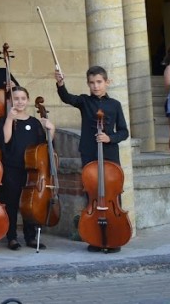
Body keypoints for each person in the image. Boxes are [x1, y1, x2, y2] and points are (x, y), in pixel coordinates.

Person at [55, 65, 129, 252]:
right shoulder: (84, 101)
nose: (95, 86)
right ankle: (95, 238)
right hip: (89, 152)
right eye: (92, 83)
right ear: (88, 84)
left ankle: (113, 238)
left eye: (99, 82)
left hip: (110, 153)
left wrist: (109, 138)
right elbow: (67, 98)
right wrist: (60, 83)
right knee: (91, 194)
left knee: (113, 194)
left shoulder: (115, 105)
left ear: (106, 82)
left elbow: (124, 131)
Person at [0, 85, 54, 250]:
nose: (19, 102)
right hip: (13, 167)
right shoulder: (5, 119)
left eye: (23, 98)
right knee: (12, 202)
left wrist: (52, 129)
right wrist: (9, 119)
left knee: (30, 203)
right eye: (16, 98)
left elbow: (45, 146)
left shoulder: (35, 122)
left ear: (28, 100)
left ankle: (31, 237)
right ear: (10, 101)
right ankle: (12, 237)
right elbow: (5, 141)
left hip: (32, 170)